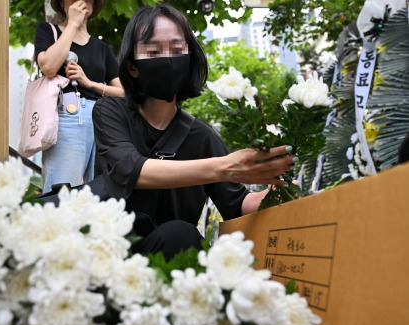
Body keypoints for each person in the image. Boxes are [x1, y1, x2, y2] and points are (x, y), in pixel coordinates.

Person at [92, 3, 295, 261]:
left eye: (177, 50)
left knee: (179, 234)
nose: (168, 60)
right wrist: (223, 167)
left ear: (189, 60)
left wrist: (276, 193)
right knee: (178, 233)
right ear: (132, 66)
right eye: (153, 50)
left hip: (175, 263)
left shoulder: (202, 136)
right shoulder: (110, 110)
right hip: (112, 256)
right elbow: (128, 168)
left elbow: (236, 205)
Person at [34, 0, 124, 193]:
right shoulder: (49, 31)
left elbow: (124, 92)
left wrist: (89, 83)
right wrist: (73, 24)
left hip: (101, 121)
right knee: (63, 191)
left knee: (99, 193)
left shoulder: (102, 48)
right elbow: (48, 67)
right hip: (67, 114)